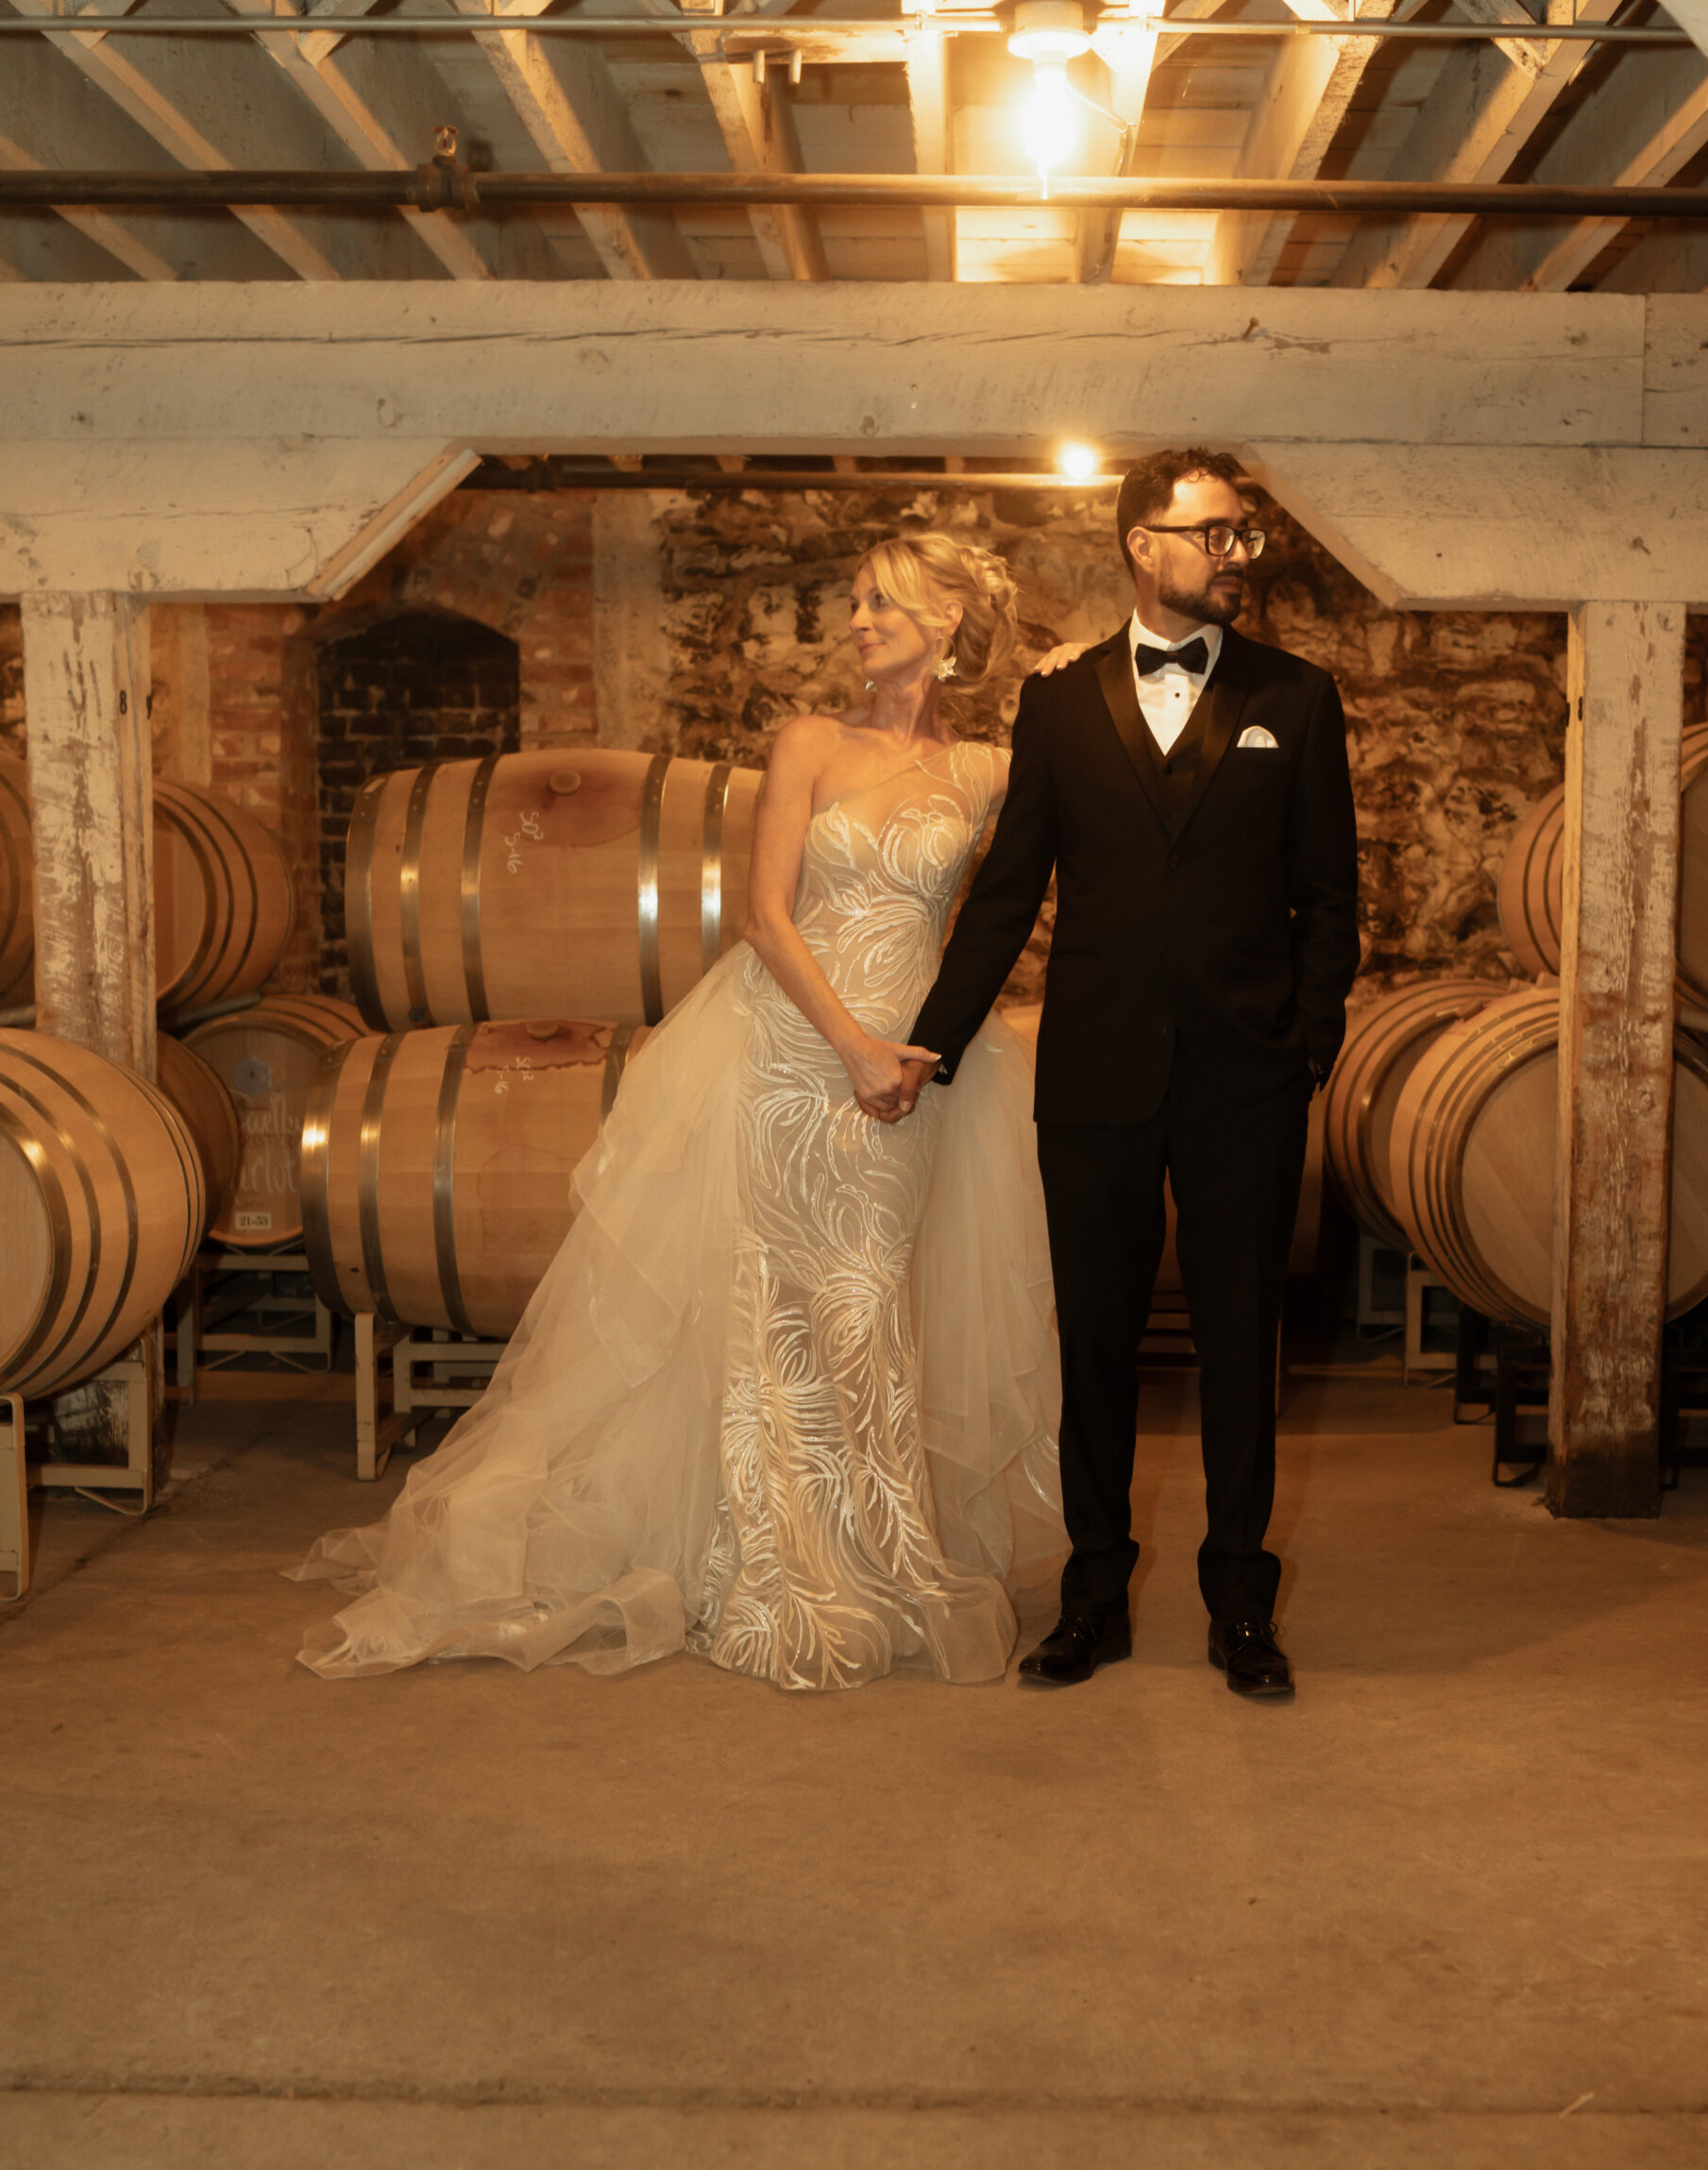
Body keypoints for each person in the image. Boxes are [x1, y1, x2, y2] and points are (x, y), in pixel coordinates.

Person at [293, 535, 1064, 1691]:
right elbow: (764, 917)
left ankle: (885, 1553)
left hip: (916, 1069)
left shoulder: (994, 772)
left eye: (880, 602)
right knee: (781, 1310)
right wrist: (849, 1047)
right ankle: (781, 1566)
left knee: (870, 1305)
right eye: (849, 601)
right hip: (796, 1055)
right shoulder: (809, 741)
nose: (853, 620)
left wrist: (909, 1056)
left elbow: (1028, 876)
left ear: (948, 620)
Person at [902, 449, 1360, 1698]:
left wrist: (1301, 1050)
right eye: (1210, 535)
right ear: (1140, 546)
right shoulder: (1058, 704)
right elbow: (1009, 894)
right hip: (1094, 1078)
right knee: (1093, 1347)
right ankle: (1091, 1598)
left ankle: (1239, 1607)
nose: (1234, 557)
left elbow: (1331, 903)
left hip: (1244, 1084)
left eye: (1242, 536)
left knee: (1237, 1350)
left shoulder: (1299, 700)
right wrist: (929, 1040)